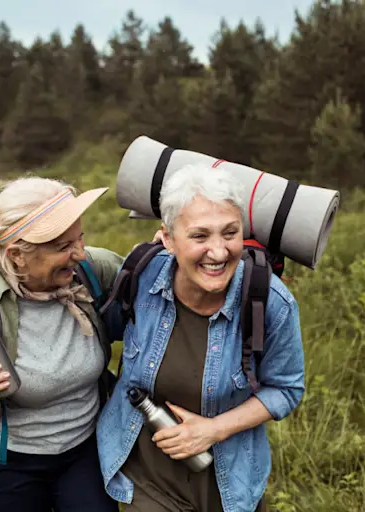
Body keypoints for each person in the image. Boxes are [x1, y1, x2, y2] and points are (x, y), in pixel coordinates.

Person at [96, 164, 306, 512]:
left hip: (231, 483)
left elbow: (286, 388)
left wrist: (214, 429)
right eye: (199, 236)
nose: (219, 252)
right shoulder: (141, 278)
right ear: (167, 239)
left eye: (230, 232)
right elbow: (103, 334)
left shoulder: (269, 301)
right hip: (147, 481)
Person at [0, 177, 124, 512]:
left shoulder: (90, 271)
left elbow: (156, 286)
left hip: (85, 450)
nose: (79, 253)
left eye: (79, 238)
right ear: (17, 255)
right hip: (9, 462)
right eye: (62, 246)